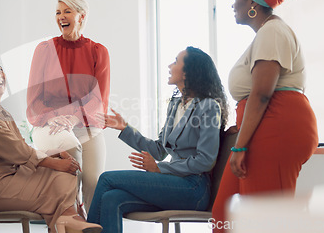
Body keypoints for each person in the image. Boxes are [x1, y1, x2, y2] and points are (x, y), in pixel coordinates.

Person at [211, 0, 318, 231]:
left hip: (277, 125)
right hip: (266, 125)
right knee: (223, 214)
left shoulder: (272, 32)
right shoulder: (267, 34)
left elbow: (261, 94)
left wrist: (239, 147)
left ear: (253, 4)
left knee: (262, 221)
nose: (232, 3)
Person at [87, 47, 228, 233]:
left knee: (106, 179)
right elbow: (160, 150)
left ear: (188, 71)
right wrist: (125, 128)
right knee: (111, 198)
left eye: (176, 61)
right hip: (172, 184)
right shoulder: (175, 105)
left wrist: (159, 168)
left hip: (193, 188)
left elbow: (206, 160)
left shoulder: (209, 106)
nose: (170, 66)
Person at [0, 56, 102, 233]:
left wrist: (53, 153)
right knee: (58, 172)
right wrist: (53, 161)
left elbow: (20, 145)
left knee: (65, 172)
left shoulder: (0, 110)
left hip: (8, 175)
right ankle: (68, 221)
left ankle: (68, 219)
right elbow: (15, 150)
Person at [26, 0, 110, 213]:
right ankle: (73, 211)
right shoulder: (44, 50)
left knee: (93, 179)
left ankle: (92, 223)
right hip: (50, 124)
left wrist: (73, 118)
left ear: (81, 16)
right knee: (70, 150)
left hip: (85, 124)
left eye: (67, 12)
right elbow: (34, 99)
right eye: (58, 12)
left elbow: (98, 98)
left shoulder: (98, 52)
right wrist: (56, 117)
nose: (61, 17)